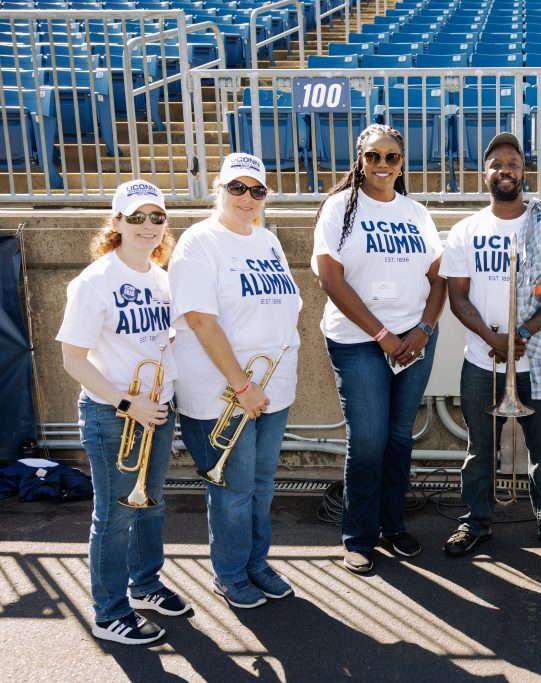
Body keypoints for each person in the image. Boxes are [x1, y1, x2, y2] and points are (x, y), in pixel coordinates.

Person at [440, 132, 541, 559]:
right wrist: (493, 339)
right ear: (484, 174)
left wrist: (524, 334)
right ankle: (475, 524)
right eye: (497, 163)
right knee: (479, 453)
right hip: (482, 362)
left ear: (525, 172)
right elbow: (457, 297)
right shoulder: (466, 230)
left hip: (534, 359)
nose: (505, 170)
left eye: (513, 163)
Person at [58, 180, 189, 645]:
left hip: (156, 407)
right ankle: (108, 613)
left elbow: (161, 339)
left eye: (157, 217)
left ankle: (145, 587)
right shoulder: (94, 281)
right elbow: (73, 358)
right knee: (114, 517)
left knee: (149, 506)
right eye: (136, 217)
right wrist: (127, 402)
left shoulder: (161, 277)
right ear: (116, 223)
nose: (148, 225)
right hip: (114, 414)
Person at [168, 153, 302, 609]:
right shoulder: (198, 242)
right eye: (237, 188)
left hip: (271, 390)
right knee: (232, 488)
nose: (247, 198)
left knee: (262, 484)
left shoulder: (267, 239)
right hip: (225, 395)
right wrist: (243, 386)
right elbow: (202, 321)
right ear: (217, 190)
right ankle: (228, 573)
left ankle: (255, 563)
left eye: (257, 190)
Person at [312, 124, 446, 574]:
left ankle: (394, 526)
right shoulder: (339, 209)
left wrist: (425, 329)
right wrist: (381, 335)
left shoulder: (416, 213)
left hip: (413, 339)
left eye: (391, 157)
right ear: (360, 159)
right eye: (374, 157)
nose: (383, 165)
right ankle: (359, 536)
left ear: (402, 163)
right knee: (368, 440)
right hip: (359, 342)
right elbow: (331, 280)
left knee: (399, 437)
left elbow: (438, 279)